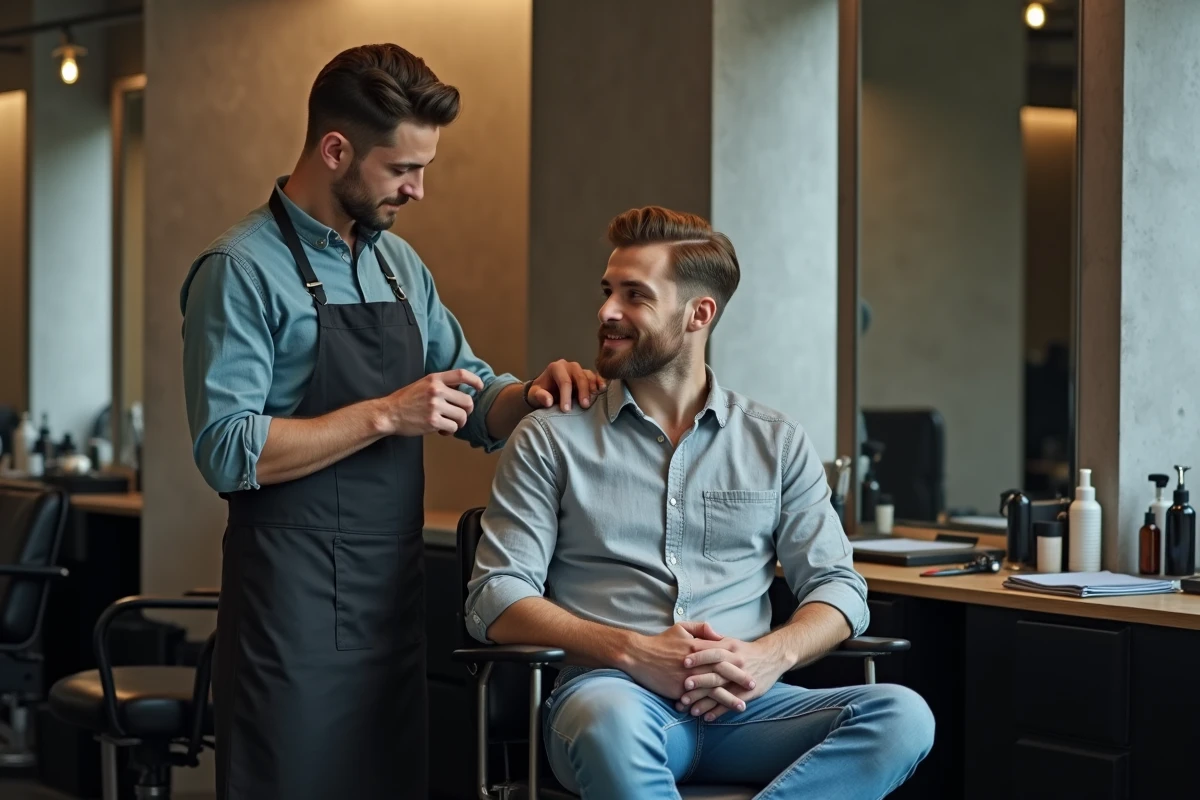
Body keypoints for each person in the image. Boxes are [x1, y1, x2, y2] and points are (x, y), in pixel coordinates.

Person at [180, 44, 601, 800]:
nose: (419, 190)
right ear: (336, 149)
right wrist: (385, 413)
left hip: (390, 601)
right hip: (291, 612)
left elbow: (473, 392)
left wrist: (531, 392)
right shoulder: (239, 270)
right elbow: (226, 448)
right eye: (403, 170)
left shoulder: (399, 267)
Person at [466, 207, 934, 798]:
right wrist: (634, 652)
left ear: (698, 313)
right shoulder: (551, 435)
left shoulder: (775, 440)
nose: (607, 311)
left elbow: (839, 588)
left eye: (635, 295)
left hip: (747, 709)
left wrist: (768, 657)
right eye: (608, 291)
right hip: (611, 699)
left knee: (903, 715)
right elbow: (496, 598)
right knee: (609, 722)